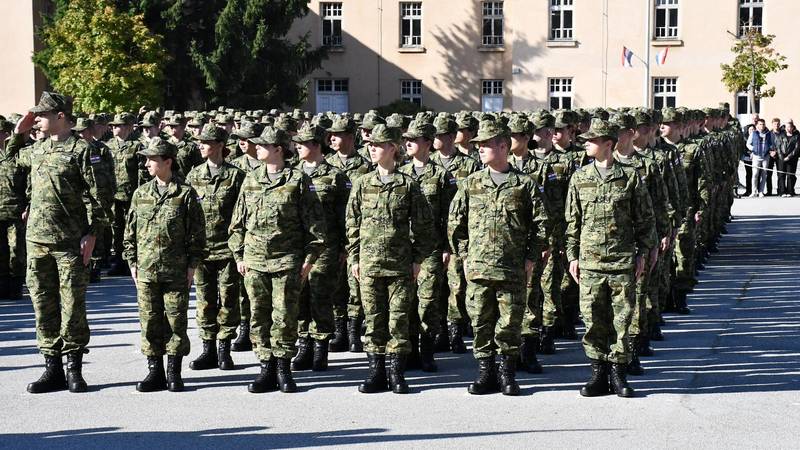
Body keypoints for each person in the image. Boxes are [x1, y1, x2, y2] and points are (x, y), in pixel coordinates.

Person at [8, 92, 109, 393]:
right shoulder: (38, 149)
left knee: (73, 306)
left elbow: (100, 197)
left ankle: (74, 368)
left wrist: (93, 236)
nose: (36, 118)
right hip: (37, 241)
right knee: (43, 305)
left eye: (42, 114)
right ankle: (52, 368)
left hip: (69, 243)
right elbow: (11, 159)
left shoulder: (82, 150)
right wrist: (18, 132)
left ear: (61, 116)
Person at [448, 119, 550, 396]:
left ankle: (507, 374)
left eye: (485, 144)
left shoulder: (525, 184)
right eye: (478, 145)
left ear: (503, 146)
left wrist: (530, 257)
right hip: (479, 268)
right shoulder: (470, 183)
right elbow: (455, 223)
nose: (479, 148)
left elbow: (542, 223)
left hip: (512, 267)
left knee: (510, 323)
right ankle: (485, 373)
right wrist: (465, 255)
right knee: (481, 321)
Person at [228, 126, 327, 394]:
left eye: (263, 145)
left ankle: (283, 368)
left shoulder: (298, 180)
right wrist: (239, 255)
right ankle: (266, 369)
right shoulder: (250, 179)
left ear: (278, 150)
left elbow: (315, 227)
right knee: (259, 316)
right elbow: (237, 224)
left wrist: (308, 260)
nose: (256, 147)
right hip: (255, 262)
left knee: (284, 316)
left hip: (287, 261)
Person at [565, 118, 656, 398]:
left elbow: (645, 219)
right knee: (593, 319)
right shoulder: (580, 178)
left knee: (622, 319)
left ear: (608, 143)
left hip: (621, 260)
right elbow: (572, 222)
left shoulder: (629, 177)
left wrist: (643, 252)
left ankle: (618, 374)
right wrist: (572, 256)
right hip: (590, 261)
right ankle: (598, 374)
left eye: (592, 141)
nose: (587, 144)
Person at [345, 124, 434, 394]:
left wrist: (418, 259)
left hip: (400, 265)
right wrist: (355, 258)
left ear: (392, 148)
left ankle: (396, 373)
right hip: (369, 264)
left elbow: (424, 226)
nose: (372, 149)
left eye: (378, 144)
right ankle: (376, 373)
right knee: (373, 320)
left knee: (398, 320)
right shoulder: (362, 183)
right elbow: (352, 223)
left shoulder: (407, 185)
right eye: (370, 144)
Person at [123, 137, 206, 392]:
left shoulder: (186, 194)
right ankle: (154, 371)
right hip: (146, 269)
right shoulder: (141, 193)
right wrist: (132, 262)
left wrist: (192, 266)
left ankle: (174, 371)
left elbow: (197, 234)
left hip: (176, 270)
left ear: (167, 161)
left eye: (152, 159)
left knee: (176, 321)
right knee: (149, 321)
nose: (147, 163)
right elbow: (130, 232)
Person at [184, 125, 245, 371]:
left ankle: (224, 349)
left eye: (206, 141)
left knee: (229, 300)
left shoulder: (236, 176)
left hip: (228, 248)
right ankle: (208, 349)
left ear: (220, 145)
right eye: (199, 141)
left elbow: (243, 215)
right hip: (201, 249)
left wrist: (241, 248)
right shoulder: (193, 175)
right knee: (204, 301)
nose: (200, 145)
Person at [398, 119, 457, 372]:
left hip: (431, 247)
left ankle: (427, 349)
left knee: (429, 300)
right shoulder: (400, 173)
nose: (408, 143)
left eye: (414, 139)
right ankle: (409, 349)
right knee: (406, 300)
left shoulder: (442, 176)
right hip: (404, 247)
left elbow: (450, 215)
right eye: (406, 139)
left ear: (427, 143)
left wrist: (447, 247)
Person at [290, 123, 349, 372]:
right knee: (299, 297)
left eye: (303, 144)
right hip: (298, 247)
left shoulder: (335, 176)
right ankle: (303, 344)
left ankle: (320, 348)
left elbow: (346, 215)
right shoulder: (292, 174)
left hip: (326, 247)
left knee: (320, 296)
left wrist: (346, 248)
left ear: (316, 145)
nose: (298, 148)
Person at [430, 114, 480, 354]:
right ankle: (437, 330)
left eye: (440, 135)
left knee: (457, 285)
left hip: (457, 234)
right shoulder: (429, 164)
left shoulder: (469, 165)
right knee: (433, 286)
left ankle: (455, 330)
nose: (435, 139)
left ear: (451, 137)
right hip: (431, 235)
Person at [325, 116, 374, 353]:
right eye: (330, 135)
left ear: (350, 136)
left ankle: (354, 331)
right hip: (332, 236)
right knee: (335, 286)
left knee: (355, 286)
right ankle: (339, 330)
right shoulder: (326, 165)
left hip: (357, 236)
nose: (332, 138)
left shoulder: (366, 166)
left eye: (338, 134)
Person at [106, 112, 145, 276]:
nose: (115, 128)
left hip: (130, 195)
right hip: (113, 196)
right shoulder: (107, 146)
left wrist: (141, 195)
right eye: (113, 125)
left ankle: (132, 260)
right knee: (116, 228)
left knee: (132, 229)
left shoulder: (137, 146)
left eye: (119, 125)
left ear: (129, 127)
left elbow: (143, 173)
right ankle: (119, 262)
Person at [0, 116, 28, 299]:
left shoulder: (15, 154)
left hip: (15, 210)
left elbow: (28, 183)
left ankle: (15, 285)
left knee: (16, 250)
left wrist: (28, 206)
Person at [747, 118, 775, 197]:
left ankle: (761, 191)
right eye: (760, 124)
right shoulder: (753, 133)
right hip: (756, 156)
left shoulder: (769, 134)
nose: (762, 126)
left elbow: (772, 144)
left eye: (763, 124)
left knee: (764, 174)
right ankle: (754, 191)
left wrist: (770, 150)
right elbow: (748, 144)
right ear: (757, 125)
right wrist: (753, 149)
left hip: (766, 156)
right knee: (755, 174)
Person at [775, 120, 799, 197]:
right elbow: (778, 147)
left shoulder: (796, 136)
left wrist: (789, 157)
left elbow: (797, 148)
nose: (789, 128)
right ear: (785, 128)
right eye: (787, 127)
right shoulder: (781, 135)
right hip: (781, 158)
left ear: (792, 127)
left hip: (792, 158)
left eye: (790, 127)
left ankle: (790, 191)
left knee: (790, 176)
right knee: (781, 175)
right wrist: (781, 157)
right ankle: (782, 191)